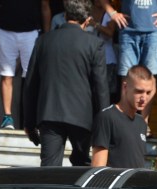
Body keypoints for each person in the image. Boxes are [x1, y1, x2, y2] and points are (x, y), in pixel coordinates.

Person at [21, 0, 109, 167]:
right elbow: (101, 88)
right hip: (83, 116)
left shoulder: (43, 41)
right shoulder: (94, 44)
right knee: (82, 167)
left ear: (65, 15)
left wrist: (29, 123)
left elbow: (31, 85)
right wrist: (103, 124)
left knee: (49, 170)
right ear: (88, 20)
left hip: (49, 114)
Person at [104, 0, 157, 113]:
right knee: (127, 76)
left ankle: (143, 124)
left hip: (154, 31)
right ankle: (125, 121)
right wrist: (112, 13)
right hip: (128, 31)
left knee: (150, 77)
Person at [0, 0, 49, 129]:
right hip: (5, 30)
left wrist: (47, 35)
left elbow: (45, 6)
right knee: (6, 75)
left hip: (31, 32)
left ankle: (31, 119)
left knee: (32, 77)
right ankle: (7, 117)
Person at [90, 63, 152, 168]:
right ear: (125, 87)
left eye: (148, 92)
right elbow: (97, 169)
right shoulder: (106, 117)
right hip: (114, 184)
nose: (144, 98)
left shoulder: (141, 122)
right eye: (139, 91)